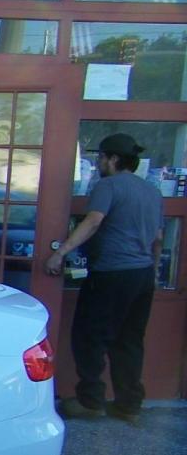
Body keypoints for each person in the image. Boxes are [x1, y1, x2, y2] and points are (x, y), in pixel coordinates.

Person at [45, 133, 164, 425]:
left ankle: (91, 402)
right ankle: (128, 404)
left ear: (113, 159)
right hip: (143, 274)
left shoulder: (107, 186)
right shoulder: (151, 192)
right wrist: (155, 270)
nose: (98, 162)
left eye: (100, 157)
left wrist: (61, 252)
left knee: (90, 336)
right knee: (130, 340)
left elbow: (94, 221)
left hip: (111, 273)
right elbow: (158, 239)